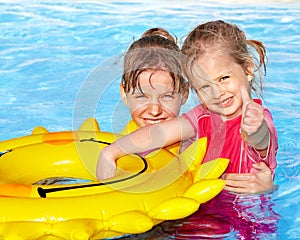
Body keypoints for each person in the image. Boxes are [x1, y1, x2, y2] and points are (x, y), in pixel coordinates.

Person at [96, 20, 278, 194]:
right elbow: (157, 134)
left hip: (249, 214)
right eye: (205, 86)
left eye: (224, 79)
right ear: (194, 89)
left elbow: (260, 139)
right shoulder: (201, 117)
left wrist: (254, 127)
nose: (217, 93)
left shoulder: (259, 119)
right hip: (207, 212)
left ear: (247, 70)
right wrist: (111, 152)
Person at [119, 27, 189, 154]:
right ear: (124, 93)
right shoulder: (115, 148)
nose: (155, 111)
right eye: (142, 97)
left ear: (185, 93)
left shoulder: (192, 147)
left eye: (167, 97)